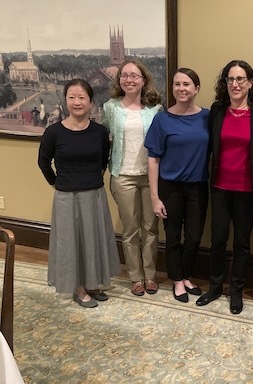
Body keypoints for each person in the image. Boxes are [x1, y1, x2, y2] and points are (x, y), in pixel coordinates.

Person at [37, 79, 121, 308]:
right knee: (71, 244)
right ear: (65, 101)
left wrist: (92, 179)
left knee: (93, 241)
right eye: (72, 97)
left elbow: (104, 160)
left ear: (91, 102)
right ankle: (78, 288)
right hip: (67, 197)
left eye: (82, 97)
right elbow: (43, 163)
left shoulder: (100, 132)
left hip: (94, 194)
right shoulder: (54, 132)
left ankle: (93, 283)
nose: (77, 102)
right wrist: (57, 183)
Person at [195, 60, 253, 314]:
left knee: (242, 244)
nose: (235, 84)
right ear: (224, 84)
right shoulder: (217, 111)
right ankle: (215, 287)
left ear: (249, 83)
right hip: (220, 188)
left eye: (240, 79)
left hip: (248, 190)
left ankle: (236, 291)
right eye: (230, 79)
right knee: (217, 240)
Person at [145, 68, 209, 303]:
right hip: (169, 187)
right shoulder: (162, 119)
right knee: (173, 236)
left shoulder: (207, 117)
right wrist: (155, 197)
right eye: (177, 84)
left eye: (187, 84)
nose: (181, 89)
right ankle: (177, 280)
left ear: (196, 89)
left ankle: (187, 274)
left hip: (198, 187)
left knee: (194, 237)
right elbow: (153, 159)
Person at [101, 59, 163, 296]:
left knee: (150, 228)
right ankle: (135, 277)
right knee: (130, 230)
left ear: (143, 79)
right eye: (124, 75)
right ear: (119, 80)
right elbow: (102, 139)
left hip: (150, 178)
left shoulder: (155, 109)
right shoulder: (110, 107)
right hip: (123, 176)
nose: (129, 79)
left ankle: (150, 275)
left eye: (134, 75)